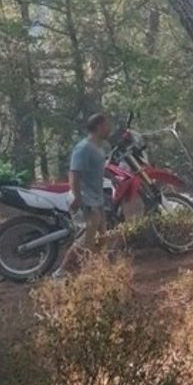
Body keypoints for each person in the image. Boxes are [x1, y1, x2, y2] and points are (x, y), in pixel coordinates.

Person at [54, 112, 112, 276]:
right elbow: (74, 174)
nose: (109, 128)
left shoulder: (98, 148)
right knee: (85, 239)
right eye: (107, 125)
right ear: (99, 126)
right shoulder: (83, 147)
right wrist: (77, 197)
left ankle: (95, 273)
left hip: (97, 200)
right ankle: (61, 273)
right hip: (85, 200)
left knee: (101, 238)